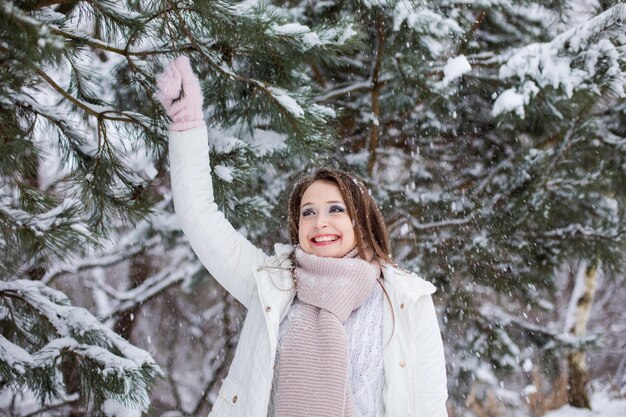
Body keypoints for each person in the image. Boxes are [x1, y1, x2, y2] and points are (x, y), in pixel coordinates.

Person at [157, 57, 448, 417]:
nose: (319, 222)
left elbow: (430, 406)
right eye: (308, 212)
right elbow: (199, 218)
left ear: (361, 221)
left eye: (336, 210)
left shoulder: (406, 300)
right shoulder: (273, 285)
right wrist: (187, 123)